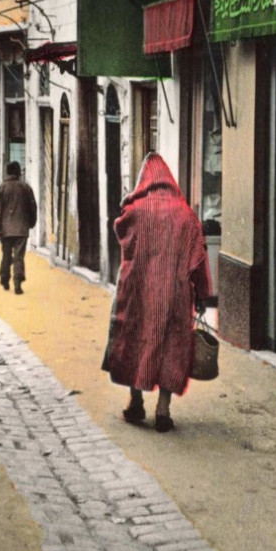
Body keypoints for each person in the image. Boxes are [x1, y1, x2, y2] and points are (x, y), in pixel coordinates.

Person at [102, 152, 212, 433]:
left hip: (137, 290)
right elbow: (199, 256)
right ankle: (163, 409)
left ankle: (135, 401)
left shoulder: (136, 211)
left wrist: (129, 201)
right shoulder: (186, 214)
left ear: (144, 180)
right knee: (171, 346)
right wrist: (202, 293)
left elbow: (120, 229)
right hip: (174, 295)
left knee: (133, 339)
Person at [0, 160, 37, 294]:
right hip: (22, 228)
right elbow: (33, 207)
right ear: (18, 173)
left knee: (6, 255)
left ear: (7, 172)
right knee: (19, 257)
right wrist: (32, 222)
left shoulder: (1, 188)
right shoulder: (26, 188)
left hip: (5, 230)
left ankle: (4, 279)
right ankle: (17, 284)